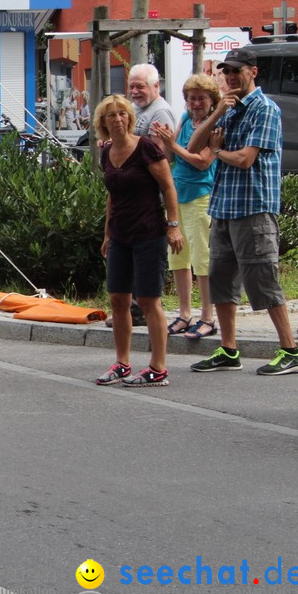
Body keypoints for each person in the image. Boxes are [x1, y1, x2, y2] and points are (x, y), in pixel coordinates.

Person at [186, 47, 298, 375]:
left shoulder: (265, 109)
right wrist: (216, 114)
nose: (231, 76)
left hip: (253, 206)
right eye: (227, 71)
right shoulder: (229, 109)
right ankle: (228, 349)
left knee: (262, 278)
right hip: (223, 205)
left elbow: (245, 159)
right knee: (221, 279)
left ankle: (291, 349)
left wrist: (219, 148)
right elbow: (194, 147)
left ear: (253, 72)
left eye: (237, 70)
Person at [94, 94, 184, 388]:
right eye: (112, 115)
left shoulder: (145, 147)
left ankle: (158, 368)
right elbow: (112, 195)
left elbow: (168, 188)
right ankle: (122, 363)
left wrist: (173, 227)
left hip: (149, 233)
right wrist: (108, 233)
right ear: (103, 122)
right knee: (118, 300)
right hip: (121, 234)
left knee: (148, 300)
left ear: (130, 118)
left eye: (123, 114)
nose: (118, 119)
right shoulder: (106, 152)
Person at [152, 74, 219, 340]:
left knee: (201, 259)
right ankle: (184, 313)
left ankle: (208, 316)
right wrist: (163, 142)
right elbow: (170, 155)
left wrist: (172, 145)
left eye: (202, 98)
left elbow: (202, 162)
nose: (196, 103)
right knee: (178, 257)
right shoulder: (184, 119)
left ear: (211, 100)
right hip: (177, 195)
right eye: (192, 98)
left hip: (200, 195)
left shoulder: (214, 126)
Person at [127, 63, 176, 139]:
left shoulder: (160, 112)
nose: (134, 91)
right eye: (131, 87)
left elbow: (160, 150)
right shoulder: (131, 107)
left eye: (140, 87)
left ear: (156, 86)